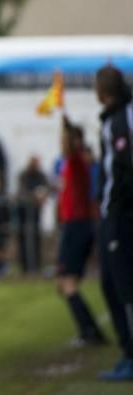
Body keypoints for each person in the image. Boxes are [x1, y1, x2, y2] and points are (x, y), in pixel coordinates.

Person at [94, 65, 133, 381]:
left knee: (122, 286)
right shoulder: (113, 119)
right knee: (109, 283)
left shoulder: (118, 123)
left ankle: (131, 356)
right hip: (112, 213)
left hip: (118, 216)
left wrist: (114, 208)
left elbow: (121, 169)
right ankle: (126, 352)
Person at [54, 116, 106, 347]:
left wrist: (67, 127)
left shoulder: (75, 161)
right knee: (65, 283)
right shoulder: (77, 162)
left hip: (76, 225)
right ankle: (90, 331)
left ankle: (90, 332)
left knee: (67, 283)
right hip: (76, 224)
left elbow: (71, 148)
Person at [15, 155, 49, 275]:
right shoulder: (24, 176)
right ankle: (25, 267)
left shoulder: (41, 176)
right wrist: (32, 197)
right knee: (23, 239)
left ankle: (36, 265)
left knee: (35, 238)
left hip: (35, 213)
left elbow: (46, 188)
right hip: (24, 213)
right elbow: (21, 191)